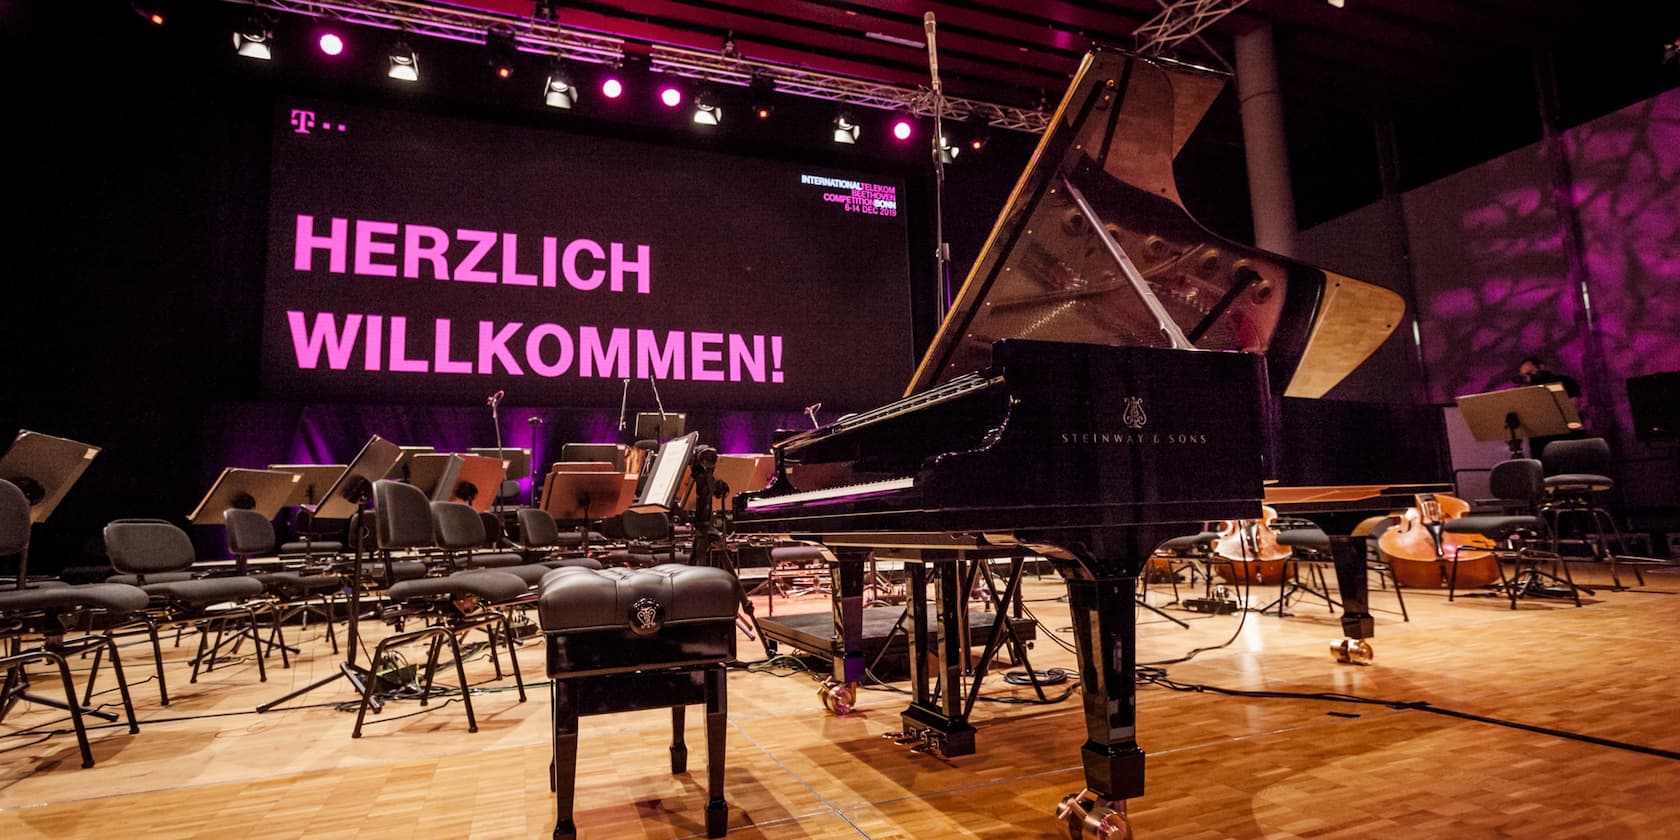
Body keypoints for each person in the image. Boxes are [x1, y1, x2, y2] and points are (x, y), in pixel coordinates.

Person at [1512, 355, 1585, 459]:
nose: (1528, 377)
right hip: (1540, 440)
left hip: (1567, 436)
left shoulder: (1565, 381)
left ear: (1541, 367)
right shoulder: (1526, 390)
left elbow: (1573, 407)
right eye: (1524, 375)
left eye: (1530, 373)